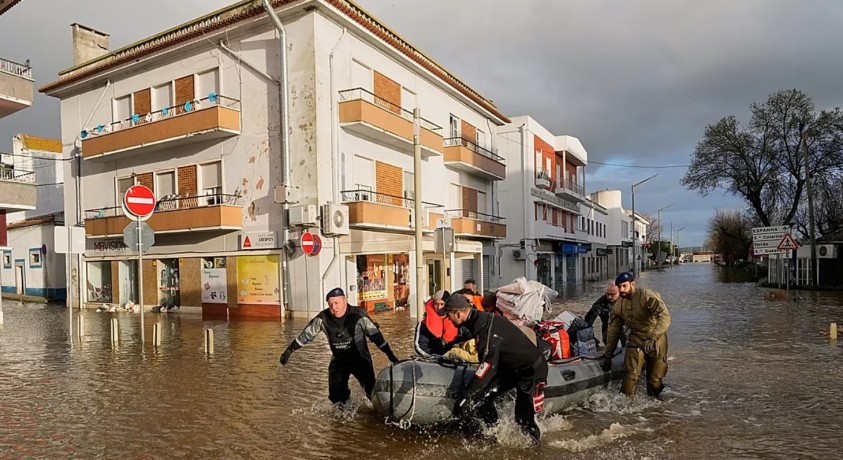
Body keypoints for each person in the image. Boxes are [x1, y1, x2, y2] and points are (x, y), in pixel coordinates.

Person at [440, 294, 548, 443]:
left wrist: (466, 397)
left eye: (448, 315)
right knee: (483, 400)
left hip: (530, 370)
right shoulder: (477, 320)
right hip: (511, 367)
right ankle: (495, 435)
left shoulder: (486, 327)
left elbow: (488, 367)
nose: (448, 319)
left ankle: (535, 449)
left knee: (522, 418)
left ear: (458, 314)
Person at [279, 287, 400, 405]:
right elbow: (306, 335)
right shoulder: (323, 318)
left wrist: (390, 356)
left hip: (360, 360)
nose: (334, 308)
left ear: (345, 301)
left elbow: (377, 337)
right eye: (330, 304)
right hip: (339, 362)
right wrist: (289, 350)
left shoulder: (359, 315)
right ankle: (344, 419)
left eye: (337, 303)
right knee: (336, 400)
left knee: (372, 394)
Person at [602, 272, 671, 398]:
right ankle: (625, 407)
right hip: (636, 338)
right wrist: (608, 355)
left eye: (624, 286)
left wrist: (653, 337)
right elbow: (614, 331)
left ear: (632, 284)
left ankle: (657, 407)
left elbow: (665, 317)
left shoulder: (646, 296)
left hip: (655, 337)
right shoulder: (618, 305)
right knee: (630, 375)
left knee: (654, 381)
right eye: (619, 287)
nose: (621, 290)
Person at [414, 290, 466, 356]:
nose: (439, 307)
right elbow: (420, 346)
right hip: (432, 358)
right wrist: (433, 356)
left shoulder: (458, 319)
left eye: (442, 304)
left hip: (454, 356)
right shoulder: (424, 323)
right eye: (436, 304)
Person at [585, 282, 621, 346]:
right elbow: (589, 319)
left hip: (623, 325)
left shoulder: (625, 299)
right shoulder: (601, 302)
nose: (609, 297)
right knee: (608, 343)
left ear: (619, 292)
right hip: (608, 325)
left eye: (612, 294)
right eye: (608, 294)